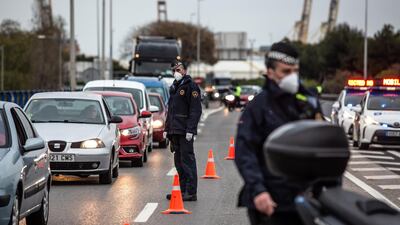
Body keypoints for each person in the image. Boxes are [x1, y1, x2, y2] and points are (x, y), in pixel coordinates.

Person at [234, 42, 323, 225]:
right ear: (270, 71)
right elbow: (245, 151)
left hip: (306, 200)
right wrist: (258, 190)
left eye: (295, 71)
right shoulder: (258, 107)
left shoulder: (308, 103)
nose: (292, 77)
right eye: (286, 71)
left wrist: (326, 190)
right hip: (271, 201)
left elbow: (323, 147)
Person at [164, 60, 202, 201]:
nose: (176, 72)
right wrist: (166, 128)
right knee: (179, 163)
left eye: (179, 70)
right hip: (175, 131)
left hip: (185, 130)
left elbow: (195, 110)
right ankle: (182, 190)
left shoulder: (191, 86)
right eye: (174, 70)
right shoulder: (174, 86)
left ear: (185, 71)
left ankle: (191, 192)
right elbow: (171, 111)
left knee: (187, 161)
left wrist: (190, 130)